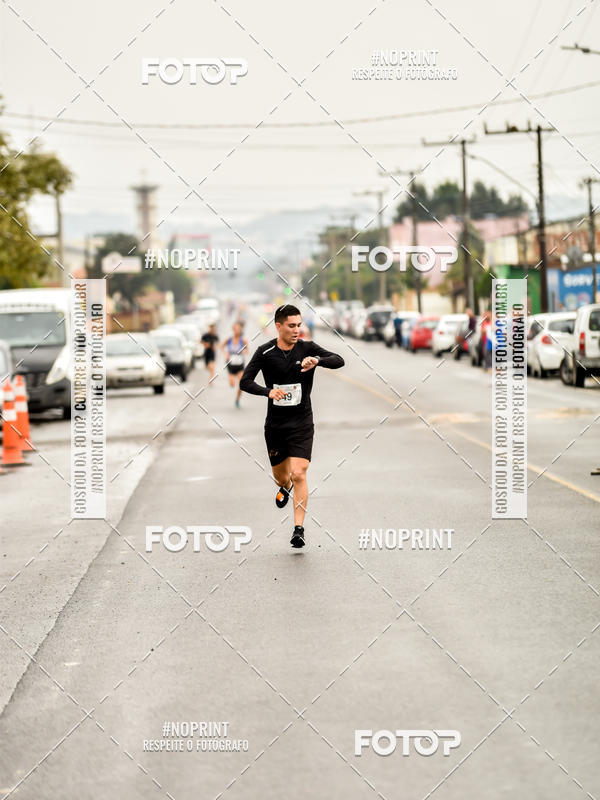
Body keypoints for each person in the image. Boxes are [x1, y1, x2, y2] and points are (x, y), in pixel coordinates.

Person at [240, 304, 344, 548]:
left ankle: (299, 529)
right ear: (278, 326)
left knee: (299, 473)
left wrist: (317, 361)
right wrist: (268, 392)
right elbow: (245, 381)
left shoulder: (307, 348)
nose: (297, 330)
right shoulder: (265, 352)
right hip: (276, 426)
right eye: (291, 326)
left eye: (299, 325)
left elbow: (339, 360)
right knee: (282, 478)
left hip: (301, 422)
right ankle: (284, 488)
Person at [222, 322, 247, 408]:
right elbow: (222, 347)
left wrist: (244, 351)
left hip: (240, 365)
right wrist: (225, 353)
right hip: (231, 365)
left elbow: (247, 349)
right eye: (236, 329)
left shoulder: (243, 340)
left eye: (239, 329)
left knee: (241, 384)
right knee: (232, 384)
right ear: (233, 330)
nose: (237, 331)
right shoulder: (229, 340)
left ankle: (237, 400)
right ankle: (231, 378)